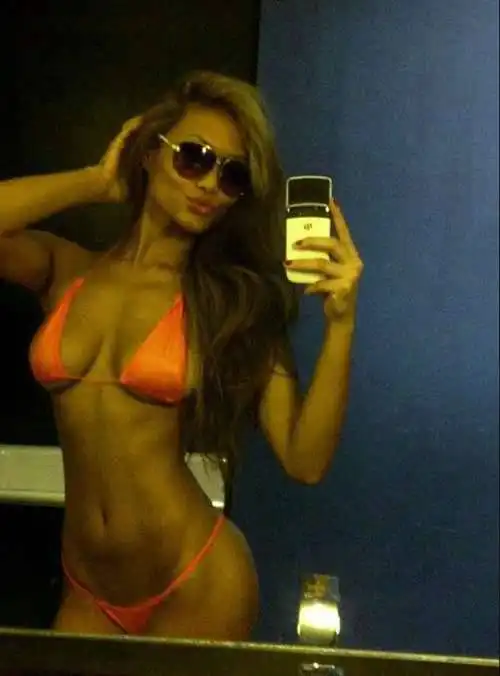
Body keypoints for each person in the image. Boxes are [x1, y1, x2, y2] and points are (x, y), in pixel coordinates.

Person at [0, 70, 363, 640]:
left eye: (232, 175)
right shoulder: (67, 270)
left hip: (196, 582)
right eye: (194, 158)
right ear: (150, 153)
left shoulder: (230, 302)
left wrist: (341, 325)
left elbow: (304, 459)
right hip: (88, 588)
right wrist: (95, 181)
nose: (210, 184)